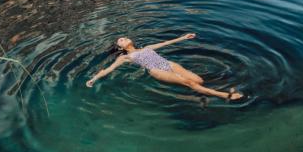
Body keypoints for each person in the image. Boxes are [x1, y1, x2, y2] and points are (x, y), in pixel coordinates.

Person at [85, 33, 244, 101]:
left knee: (199, 80)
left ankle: (197, 95)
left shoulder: (146, 47)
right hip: (157, 71)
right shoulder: (124, 57)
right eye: (121, 40)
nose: (125, 39)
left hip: (169, 64)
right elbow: (109, 69)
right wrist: (94, 78)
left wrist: (183, 37)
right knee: (190, 83)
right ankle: (224, 96)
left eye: (124, 37)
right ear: (120, 48)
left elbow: (165, 43)